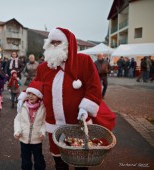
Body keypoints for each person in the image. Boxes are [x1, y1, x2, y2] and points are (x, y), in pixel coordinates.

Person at [17, 27, 116, 170]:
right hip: (54, 122)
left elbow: (93, 86)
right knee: (59, 159)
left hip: (78, 121)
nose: (55, 45)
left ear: (68, 44)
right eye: (52, 42)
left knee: (81, 159)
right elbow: (37, 84)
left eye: (59, 42)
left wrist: (85, 107)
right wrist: (25, 96)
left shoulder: (84, 61)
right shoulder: (44, 67)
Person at [14, 80, 46, 170]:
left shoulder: (43, 108)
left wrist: (42, 131)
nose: (30, 96)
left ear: (38, 96)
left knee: (39, 160)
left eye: (33, 94)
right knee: (25, 160)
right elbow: (17, 120)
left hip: (37, 139)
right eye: (29, 93)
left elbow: (44, 122)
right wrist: (18, 131)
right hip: (23, 138)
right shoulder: (23, 106)